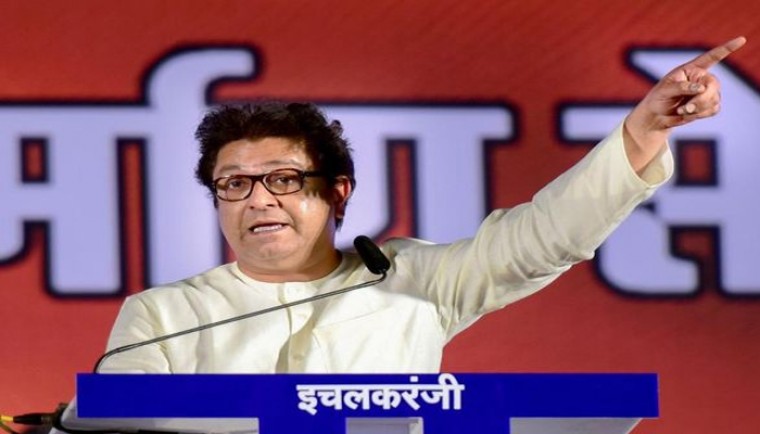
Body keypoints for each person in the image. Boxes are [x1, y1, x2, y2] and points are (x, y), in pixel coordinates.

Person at [98, 37, 746, 374]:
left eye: (283, 179)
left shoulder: (414, 279)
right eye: (234, 184)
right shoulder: (163, 315)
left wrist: (644, 132)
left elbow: (546, 237)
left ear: (338, 191)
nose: (258, 198)